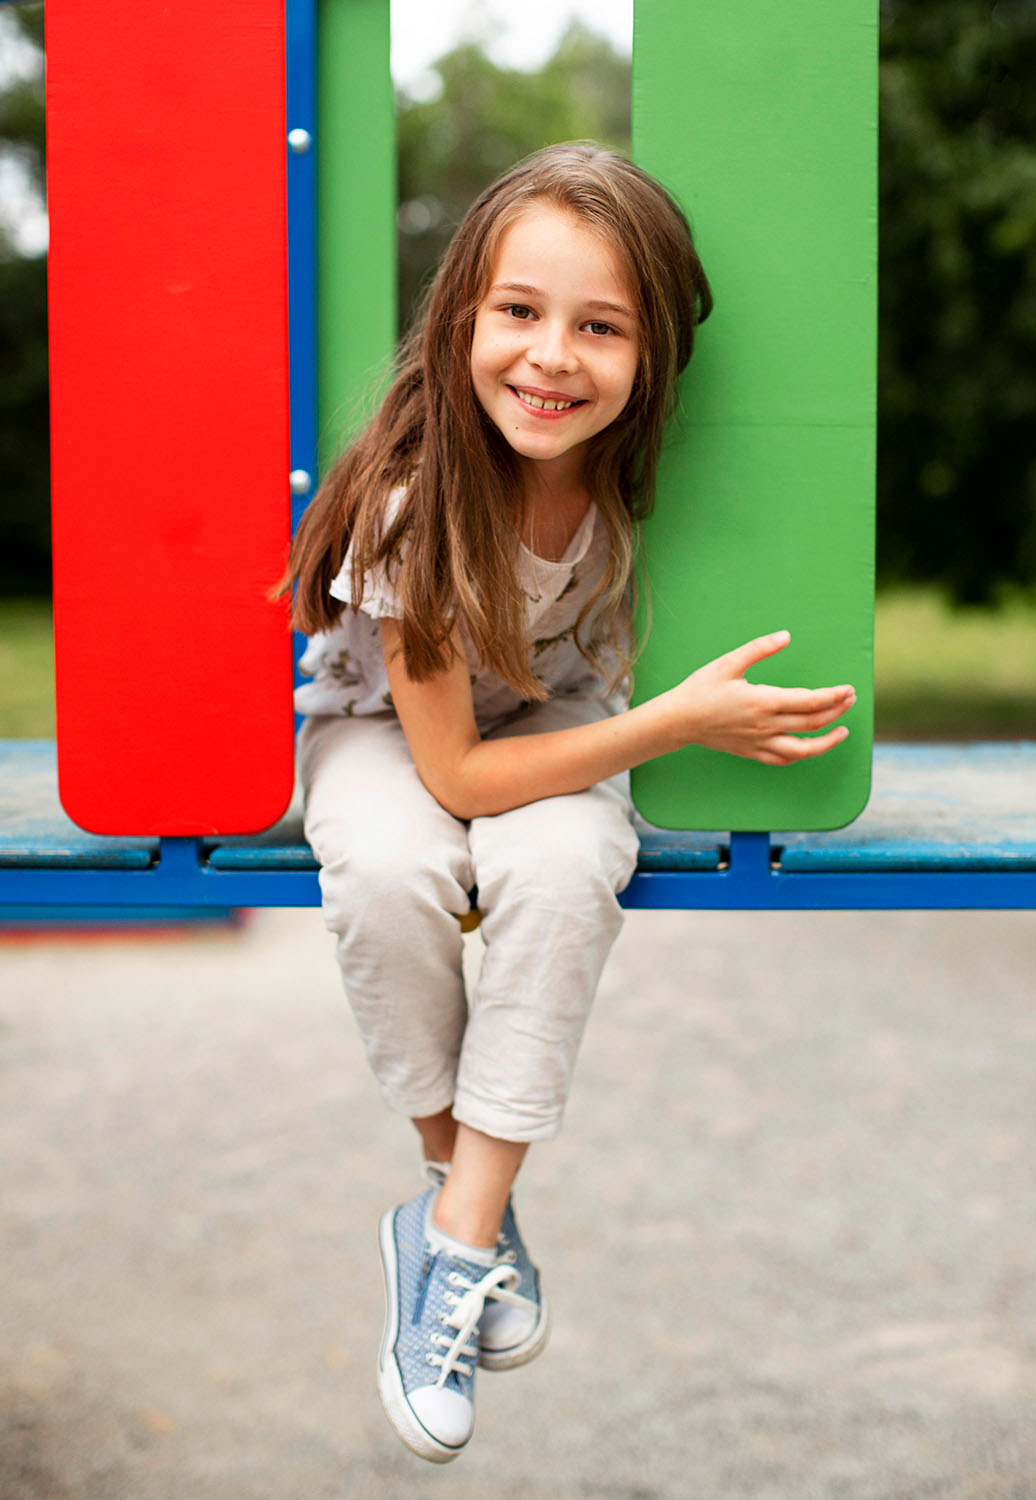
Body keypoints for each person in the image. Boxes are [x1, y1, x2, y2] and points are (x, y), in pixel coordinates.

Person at [281, 141, 855, 1463]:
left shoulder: (642, 479)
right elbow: (455, 781)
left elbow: (535, 776)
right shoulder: (418, 497)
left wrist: (642, 727)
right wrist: (675, 723)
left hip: (560, 725)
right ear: (462, 319)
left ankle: (455, 1236)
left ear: (651, 353)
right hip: (391, 729)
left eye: (601, 327)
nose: (553, 357)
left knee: (555, 870)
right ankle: (458, 1195)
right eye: (520, 313)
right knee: (385, 864)